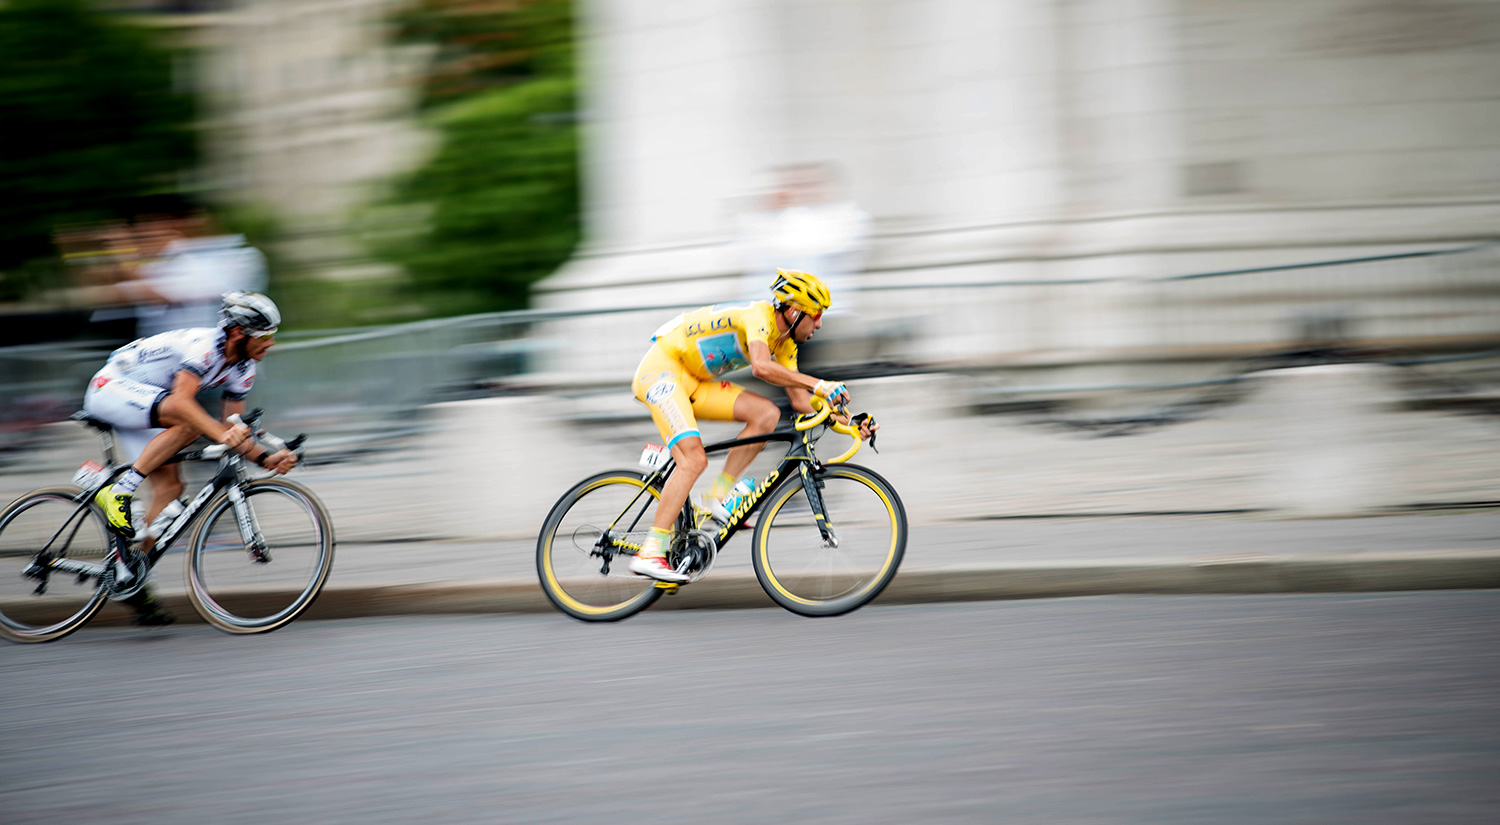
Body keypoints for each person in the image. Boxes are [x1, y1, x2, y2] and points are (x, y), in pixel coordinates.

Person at [628, 269, 876, 582]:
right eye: (816, 315)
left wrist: (850, 421)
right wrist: (820, 384)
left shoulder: (785, 344)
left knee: (766, 414)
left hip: (692, 380)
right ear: (795, 311)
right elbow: (760, 367)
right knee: (693, 460)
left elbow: (800, 401)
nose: (820, 324)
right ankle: (650, 551)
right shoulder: (758, 316)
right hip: (662, 371)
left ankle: (716, 496)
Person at [81, 291, 298, 624]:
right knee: (188, 421)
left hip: (148, 404)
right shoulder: (204, 346)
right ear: (239, 332)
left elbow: (232, 428)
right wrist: (221, 433)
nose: (270, 343)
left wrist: (266, 458)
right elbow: (183, 403)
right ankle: (117, 491)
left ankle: (129, 576)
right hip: (112, 387)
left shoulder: (244, 366)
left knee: (170, 489)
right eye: (265, 336)